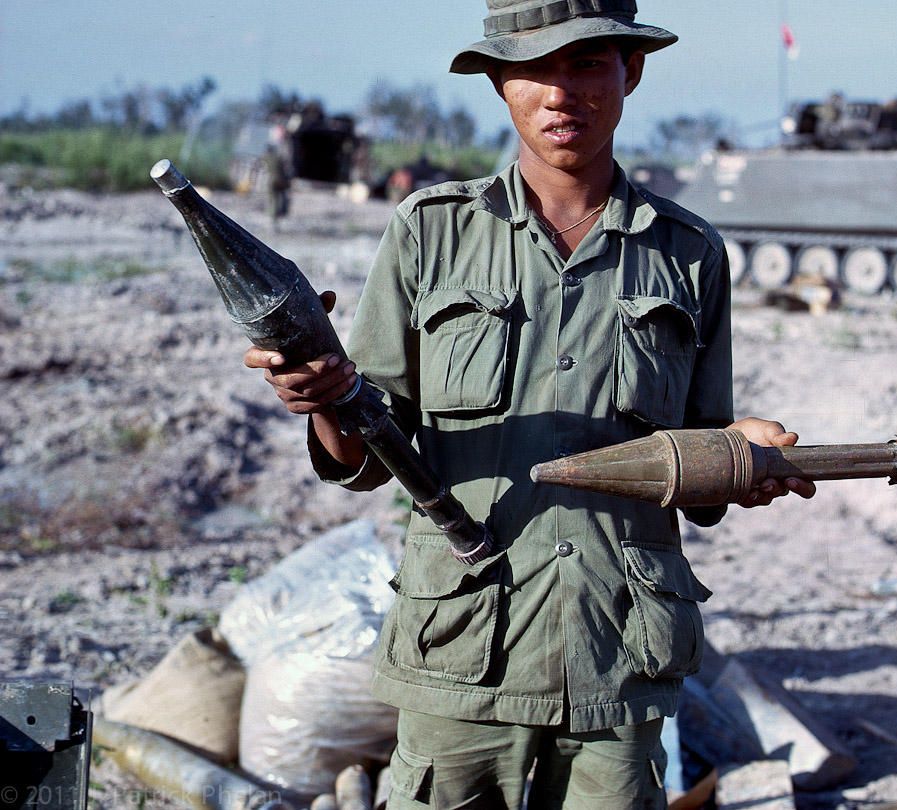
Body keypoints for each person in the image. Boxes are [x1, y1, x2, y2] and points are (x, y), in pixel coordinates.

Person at [244, 2, 814, 807]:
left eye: (586, 64)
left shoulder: (690, 253)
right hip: (463, 657)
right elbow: (367, 461)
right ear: (499, 82)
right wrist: (324, 402)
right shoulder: (429, 232)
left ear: (631, 71)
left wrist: (742, 456)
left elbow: (701, 463)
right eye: (535, 68)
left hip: (618, 659)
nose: (560, 92)